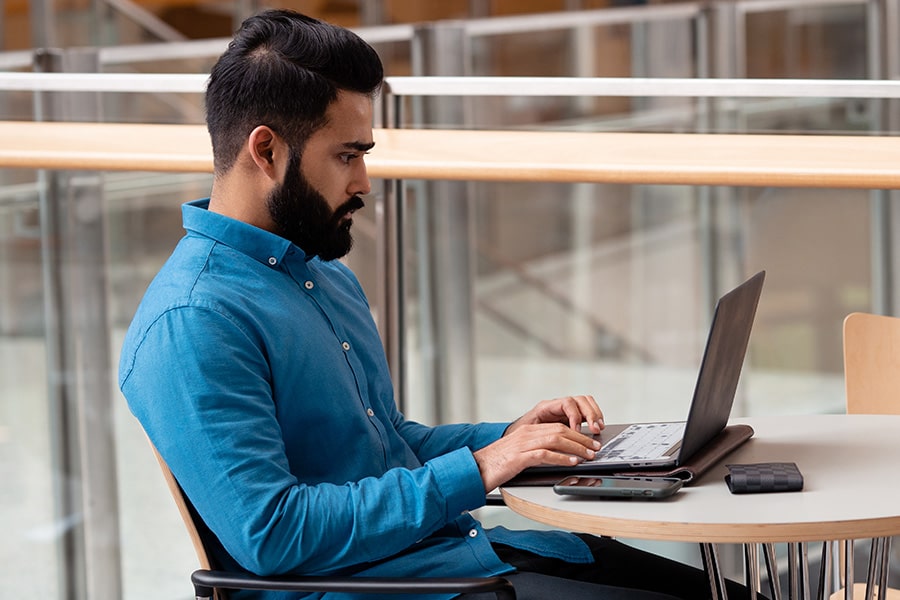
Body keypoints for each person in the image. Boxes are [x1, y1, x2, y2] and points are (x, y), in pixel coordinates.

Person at [119, 9, 764, 600]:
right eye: (346, 156)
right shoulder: (196, 321)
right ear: (265, 151)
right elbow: (273, 534)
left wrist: (515, 440)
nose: (363, 182)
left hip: (464, 558)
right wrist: (482, 469)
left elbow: (386, 445)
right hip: (388, 591)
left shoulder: (318, 275)